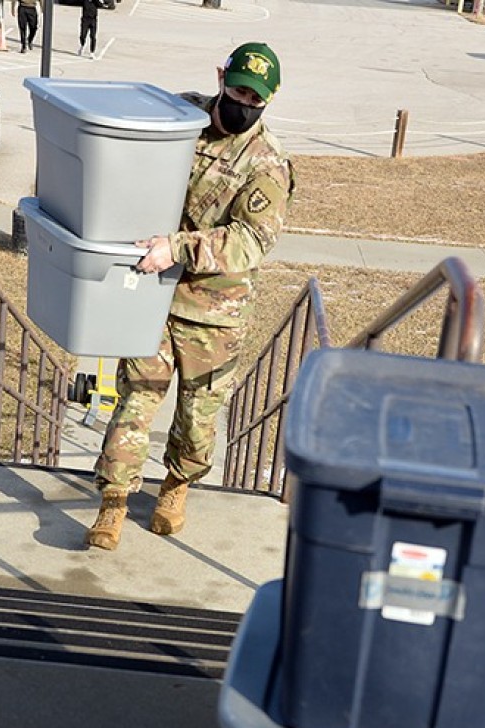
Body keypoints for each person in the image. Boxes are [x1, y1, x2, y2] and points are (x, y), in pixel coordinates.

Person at [86, 42, 294, 551]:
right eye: (239, 89)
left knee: (199, 416)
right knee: (136, 398)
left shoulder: (267, 164)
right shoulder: (181, 117)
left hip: (215, 311)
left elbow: (252, 240)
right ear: (221, 76)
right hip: (153, 294)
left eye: (256, 98)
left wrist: (176, 247)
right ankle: (112, 502)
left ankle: (176, 485)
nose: (245, 103)